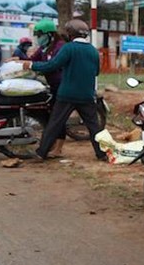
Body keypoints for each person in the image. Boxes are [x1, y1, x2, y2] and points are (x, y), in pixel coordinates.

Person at [20, 19, 106, 161]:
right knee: (93, 127)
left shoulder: (68, 48)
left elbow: (52, 65)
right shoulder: (93, 51)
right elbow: (96, 72)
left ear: (70, 34)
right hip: (87, 95)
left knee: (54, 124)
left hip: (67, 94)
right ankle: (101, 154)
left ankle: (41, 153)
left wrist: (31, 66)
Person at [30, 19, 67, 156]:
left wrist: (35, 67)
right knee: (53, 115)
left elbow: (53, 65)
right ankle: (53, 146)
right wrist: (19, 61)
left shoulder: (60, 47)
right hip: (53, 86)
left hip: (63, 86)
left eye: (40, 35)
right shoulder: (45, 48)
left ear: (50, 34)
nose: (38, 38)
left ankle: (58, 148)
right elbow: (34, 59)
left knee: (58, 116)